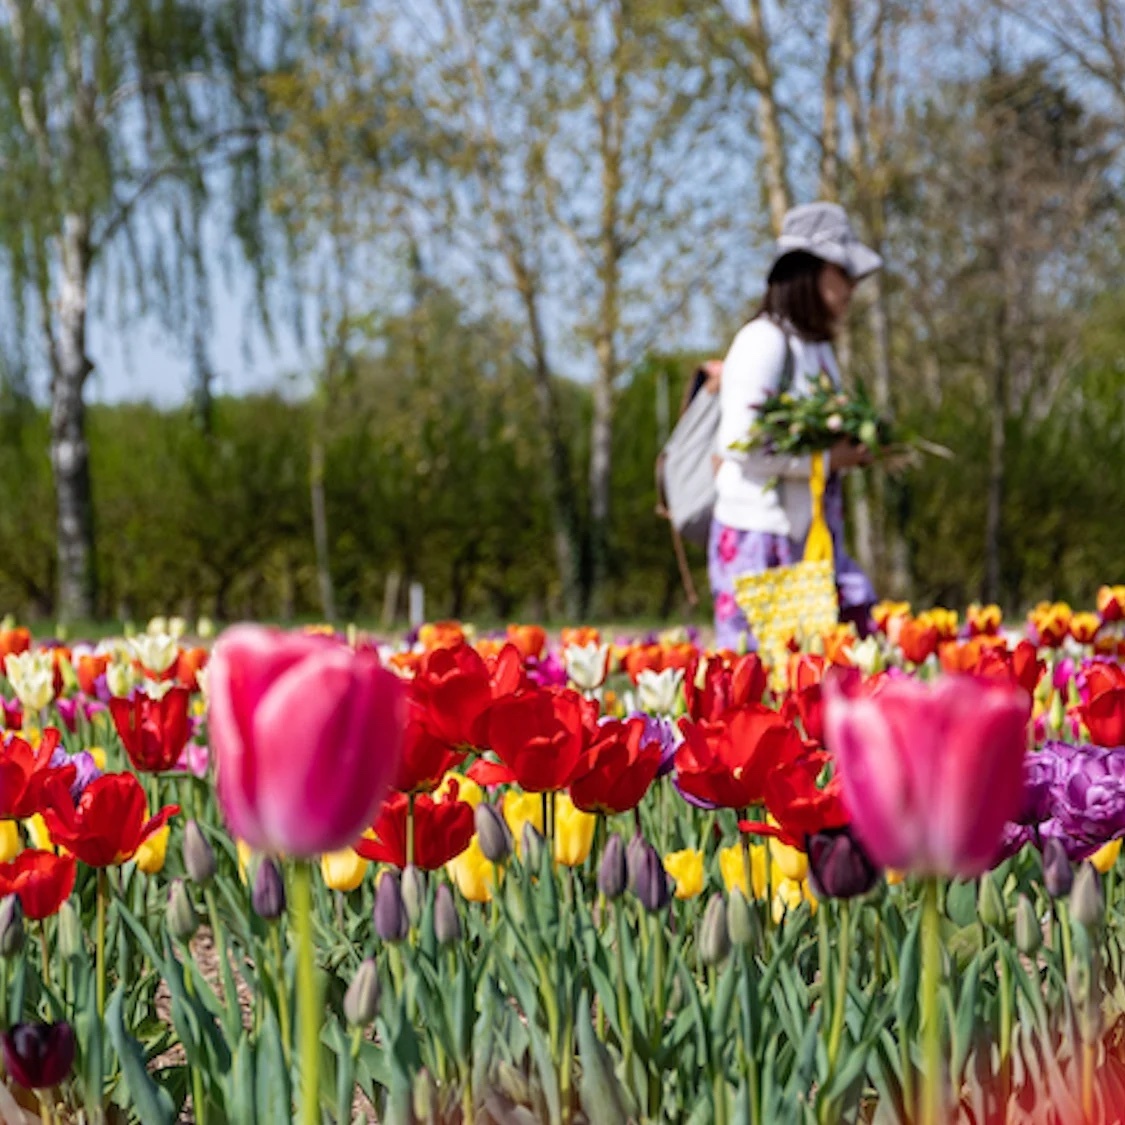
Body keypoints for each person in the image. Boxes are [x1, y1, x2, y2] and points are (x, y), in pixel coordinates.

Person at [709, 202, 881, 651]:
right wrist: (826, 460)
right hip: (762, 538)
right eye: (844, 274)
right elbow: (739, 445)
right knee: (765, 678)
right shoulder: (763, 341)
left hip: (815, 535)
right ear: (809, 271)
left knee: (843, 660)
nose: (851, 289)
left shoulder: (817, 349)